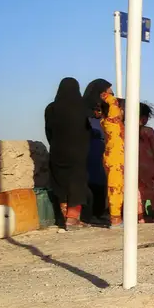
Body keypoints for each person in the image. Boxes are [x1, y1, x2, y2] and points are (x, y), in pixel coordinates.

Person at [44, 78, 91, 230]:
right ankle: (72, 218)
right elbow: (88, 129)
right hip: (78, 151)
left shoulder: (51, 108)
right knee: (77, 182)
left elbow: (48, 131)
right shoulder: (83, 107)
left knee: (60, 182)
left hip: (57, 150)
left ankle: (64, 218)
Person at [83, 79, 126, 227]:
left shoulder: (107, 118)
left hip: (106, 152)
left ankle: (104, 213)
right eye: (109, 93)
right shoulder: (106, 118)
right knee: (111, 186)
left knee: (110, 186)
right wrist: (108, 98)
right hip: (97, 154)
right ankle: (111, 217)